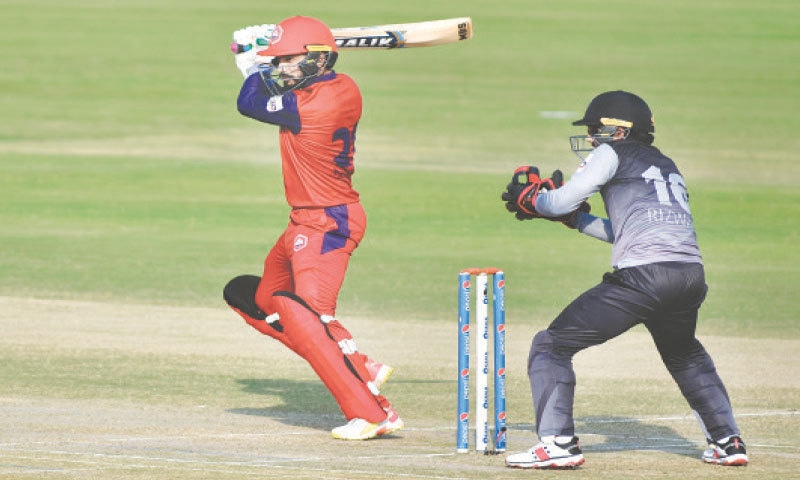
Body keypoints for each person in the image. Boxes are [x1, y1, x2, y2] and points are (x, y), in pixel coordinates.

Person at [500, 90, 748, 468]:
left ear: (618, 130)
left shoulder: (610, 154)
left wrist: (534, 201)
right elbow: (626, 230)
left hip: (644, 278)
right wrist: (575, 220)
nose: (591, 138)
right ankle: (727, 442)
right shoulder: (666, 163)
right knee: (684, 355)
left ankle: (558, 444)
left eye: (596, 129)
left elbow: (560, 199)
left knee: (551, 346)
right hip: (689, 276)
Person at [222, 16, 403, 441]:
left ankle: (373, 412)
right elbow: (266, 92)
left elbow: (248, 103)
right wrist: (261, 62)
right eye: (279, 61)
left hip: (327, 222)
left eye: (288, 60)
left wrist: (253, 62)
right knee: (259, 299)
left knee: (310, 316)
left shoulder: (314, 104)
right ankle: (359, 364)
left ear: (320, 59)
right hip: (305, 219)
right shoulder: (341, 86)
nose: (282, 68)